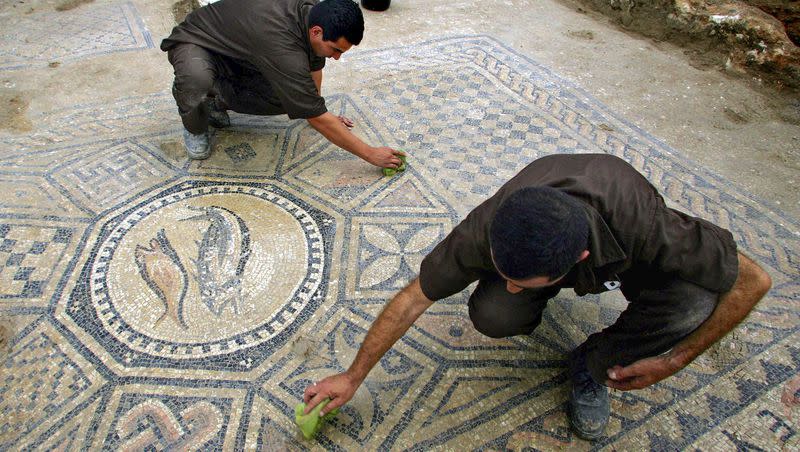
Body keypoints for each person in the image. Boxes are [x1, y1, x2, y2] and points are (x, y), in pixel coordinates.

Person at [302, 153, 772, 440]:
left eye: (520, 281)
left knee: (692, 302)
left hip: (626, 238)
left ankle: (590, 365)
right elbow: (411, 300)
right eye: (503, 272)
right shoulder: (485, 230)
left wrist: (674, 360)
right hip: (558, 232)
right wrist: (353, 375)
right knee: (495, 312)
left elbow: (755, 281)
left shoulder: (649, 227)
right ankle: (533, 301)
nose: (506, 283)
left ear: (579, 260)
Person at [160, 0, 404, 167]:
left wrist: (318, 108)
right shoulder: (282, 44)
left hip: (241, 52)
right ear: (317, 32)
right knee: (197, 79)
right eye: (336, 49)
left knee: (287, 98)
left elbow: (313, 68)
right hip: (197, 42)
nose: (338, 57)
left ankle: (216, 100)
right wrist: (370, 154)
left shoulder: (312, 14)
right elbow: (314, 116)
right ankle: (196, 119)